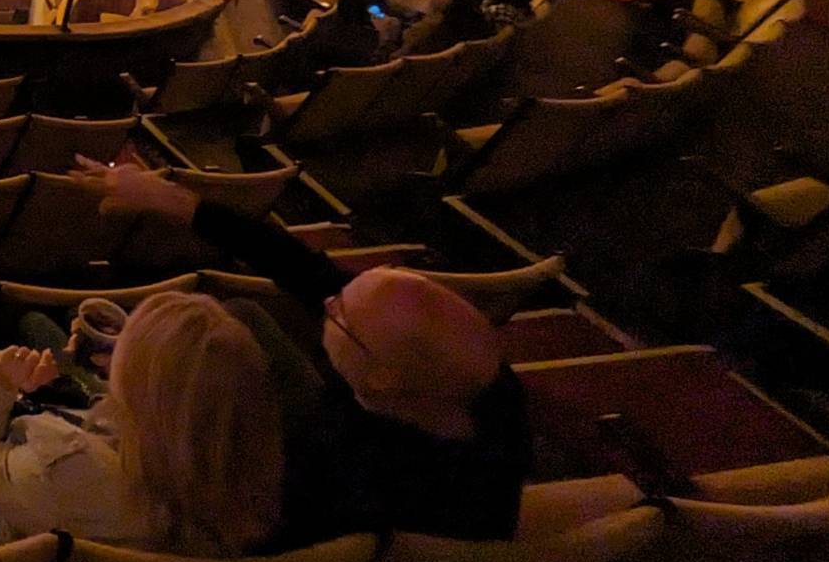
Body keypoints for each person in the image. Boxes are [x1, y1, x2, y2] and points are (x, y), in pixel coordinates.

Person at [81, 158, 527, 542]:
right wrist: (168, 198)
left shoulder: (331, 478)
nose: (328, 300)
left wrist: (158, 378)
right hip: (338, 435)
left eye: (338, 312)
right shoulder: (483, 392)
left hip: (283, 489)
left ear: (379, 376)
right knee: (240, 313)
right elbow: (301, 267)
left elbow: (233, 503)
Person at [0, 294, 284, 554]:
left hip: (1, 500)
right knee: (34, 323)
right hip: (62, 489)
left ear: (147, 396)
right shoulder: (235, 482)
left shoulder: (71, 471)